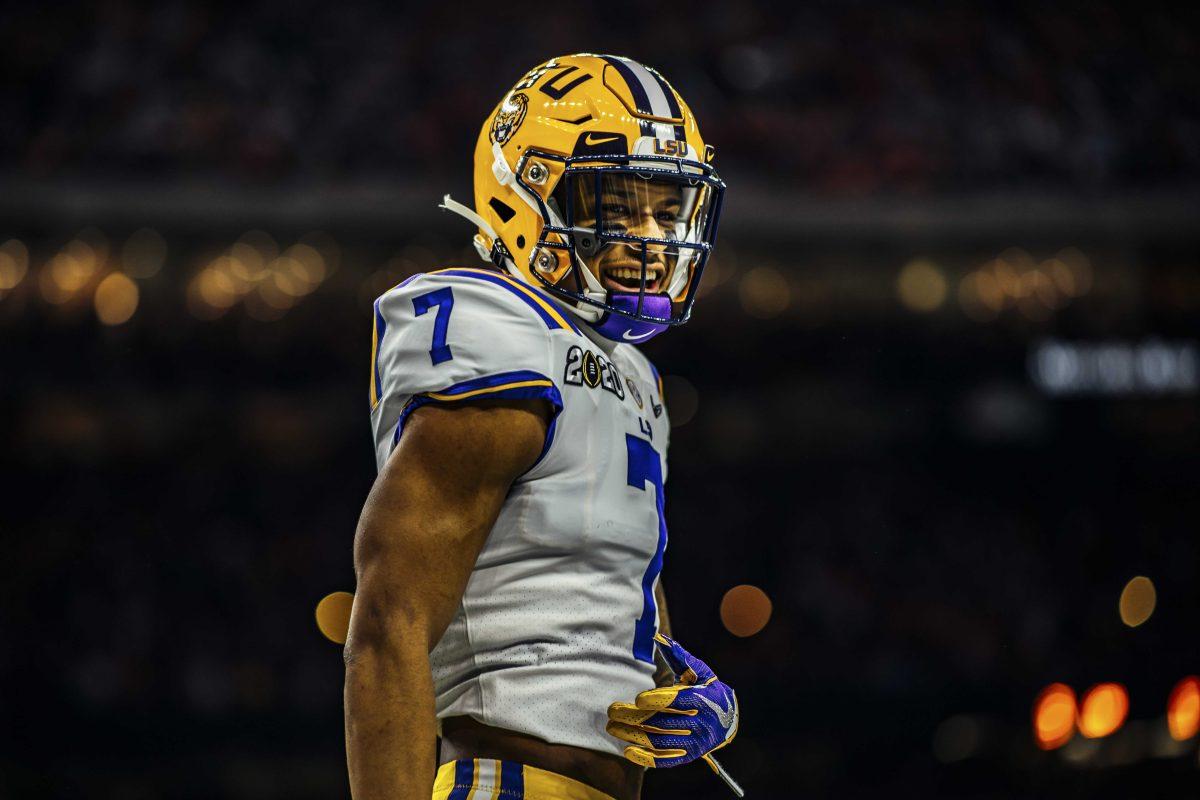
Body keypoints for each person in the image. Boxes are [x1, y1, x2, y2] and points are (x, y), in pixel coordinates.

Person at [344, 54, 738, 800]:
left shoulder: (632, 377)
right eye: (617, 209)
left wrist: (688, 685)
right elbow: (389, 620)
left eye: (668, 209)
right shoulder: (502, 334)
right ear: (525, 199)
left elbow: (595, 603)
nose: (653, 240)